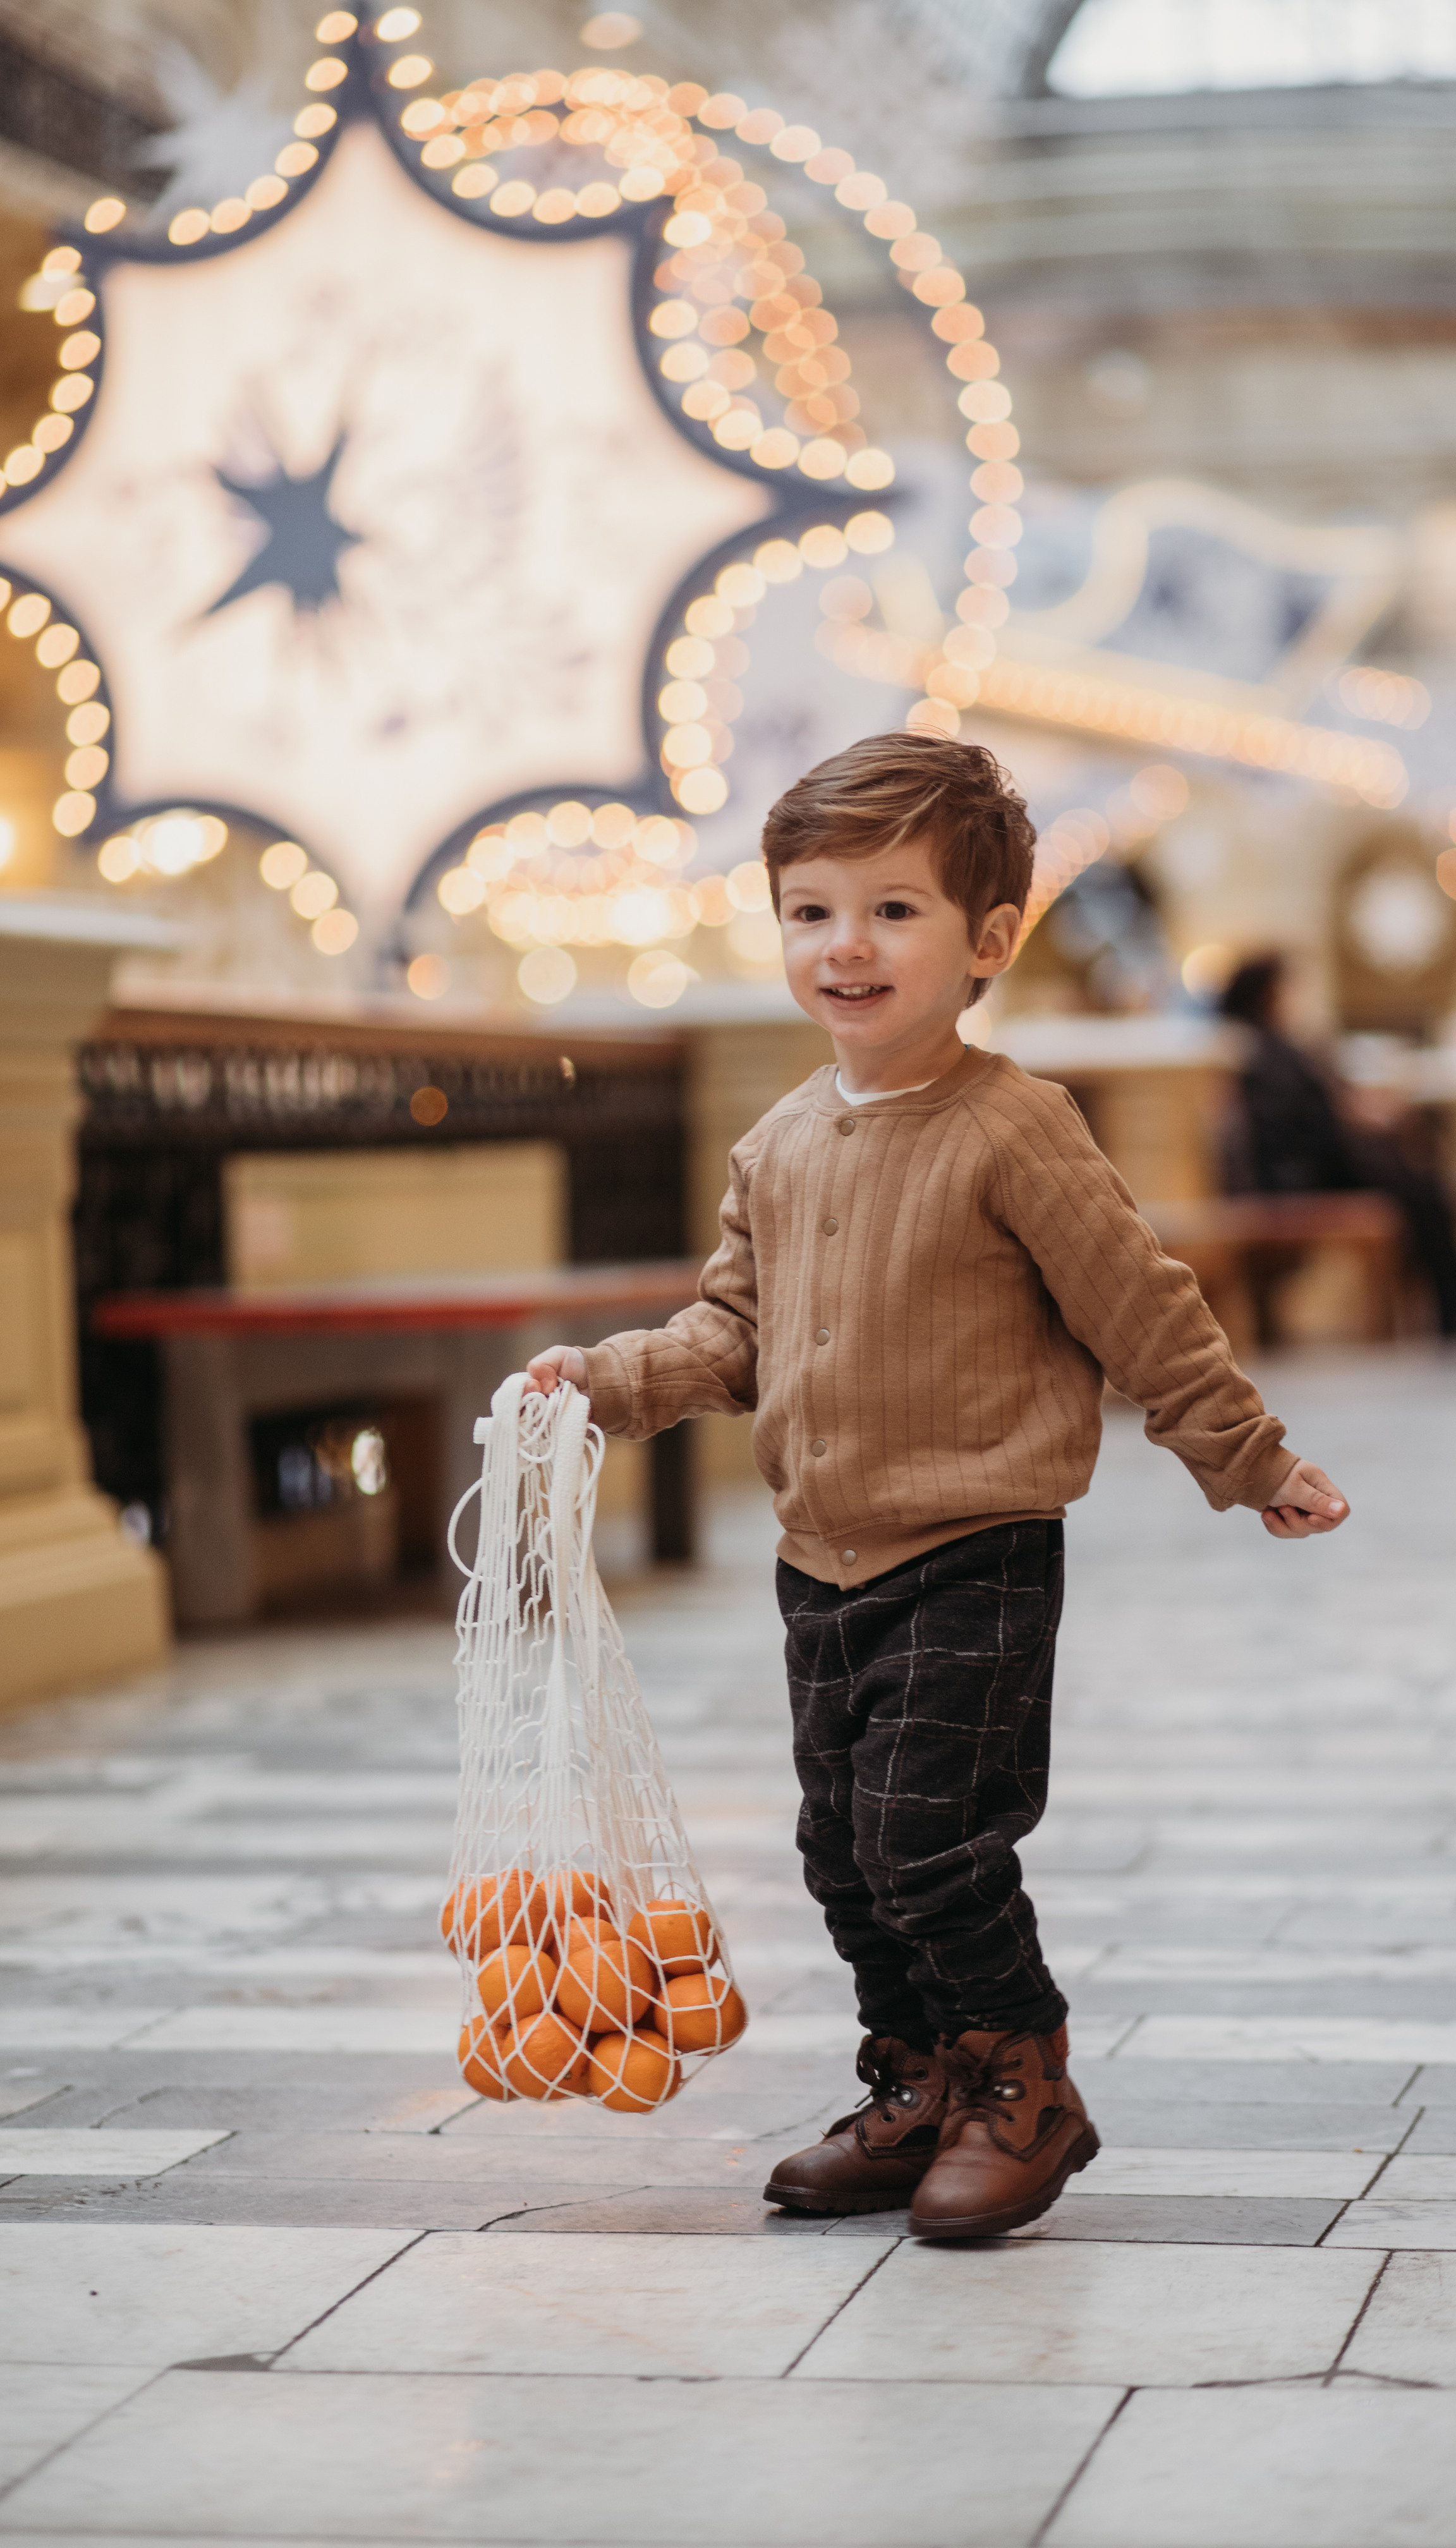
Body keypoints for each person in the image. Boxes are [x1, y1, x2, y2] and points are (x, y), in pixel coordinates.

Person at [526, 734, 1349, 2242]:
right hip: (818, 1562)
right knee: (840, 1848)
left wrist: (1249, 1459)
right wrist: (610, 1382)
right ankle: (915, 2086)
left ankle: (1021, 2083)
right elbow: (733, 1330)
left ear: (986, 941)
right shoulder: (778, 1143)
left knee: (929, 1836)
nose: (848, 945)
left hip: (973, 1545)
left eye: (894, 911)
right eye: (813, 910)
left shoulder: (1012, 1126)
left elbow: (1137, 1305)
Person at [1220, 952, 1456, 1338]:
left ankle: (1438, 1311)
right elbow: (1306, 1123)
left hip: (1315, 1163)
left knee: (1422, 1185)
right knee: (1423, 1192)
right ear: (1267, 992)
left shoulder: (1272, 1044)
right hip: (1302, 1175)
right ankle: (1447, 1315)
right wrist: (1358, 1120)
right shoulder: (1260, 1049)